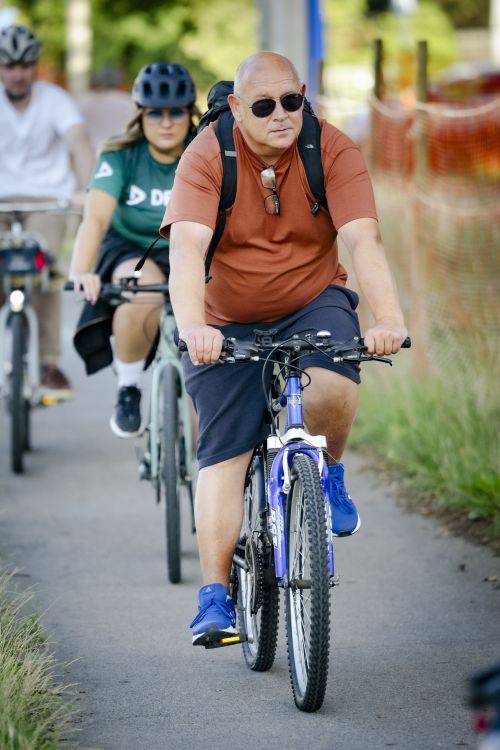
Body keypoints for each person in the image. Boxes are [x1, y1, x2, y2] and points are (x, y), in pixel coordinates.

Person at [161, 51, 408, 646]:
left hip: (312, 299)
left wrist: (388, 318)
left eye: (292, 101)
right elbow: (187, 249)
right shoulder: (206, 155)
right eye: (264, 106)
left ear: (303, 95)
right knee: (225, 453)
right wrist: (194, 326)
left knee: (335, 385)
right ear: (237, 107)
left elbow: (363, 240)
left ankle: (328, 473)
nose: (281, 115)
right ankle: (214, 597)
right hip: (224, 318)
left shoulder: (331, 149)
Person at [69, 62, 198, 437]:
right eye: (155, 113)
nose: (166, 122)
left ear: (189, 113)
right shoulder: (120, 155)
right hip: (134, 248)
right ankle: (128, 387)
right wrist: (81, 270)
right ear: (140, 114)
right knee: (139, 290)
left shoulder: (207, 151)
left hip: (195, 247)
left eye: (176, 112)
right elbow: (95, 219)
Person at [0, 23, 94, 398]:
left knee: (45, 273)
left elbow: (78, 142)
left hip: (48, 199)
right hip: (2, 199)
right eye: (10, 66)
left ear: (35, 66)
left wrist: (85, 189)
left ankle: (48, 364)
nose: (18, 74)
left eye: (25, 66)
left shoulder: (54, 100)